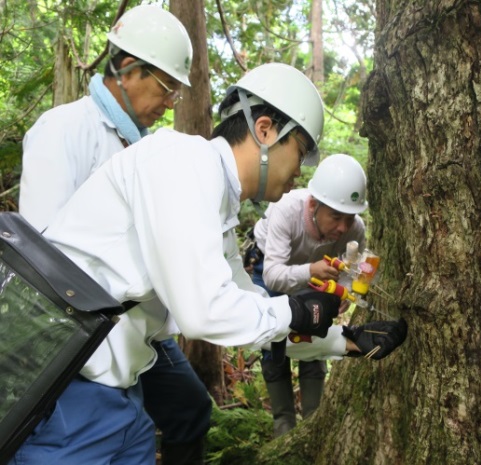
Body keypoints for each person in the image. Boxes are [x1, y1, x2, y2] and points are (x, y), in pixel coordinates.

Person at [9, 62, 408, 465]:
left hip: (117, 392)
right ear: (265, 130)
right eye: (300, 153)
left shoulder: (215, 201)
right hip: (66, 392)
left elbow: (249, 315)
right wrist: (296, 310)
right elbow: (205, 311)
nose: (298, 174)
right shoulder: (182, 159)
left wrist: (347, 342)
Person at [18, 6, 212, 464]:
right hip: (82, 335)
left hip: (138, 327)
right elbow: (45, 251)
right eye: (166, 87)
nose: (171, 102)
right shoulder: (64, 130)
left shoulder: (144, 149)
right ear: (127, 71)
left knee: (191, 408)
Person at [249, 153, 368, 436]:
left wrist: (342, 295)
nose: (342, 227)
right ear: (314, 204)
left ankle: (314, 424)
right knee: (274, 339)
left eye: (349, 218)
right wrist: (310, 271)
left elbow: (353, 273)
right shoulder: (286, 209)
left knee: (315, 334)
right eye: (335, 217)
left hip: (315, 276)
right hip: (273, 266)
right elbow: (273, 274)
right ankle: (284, 427)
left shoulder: (355, 230)